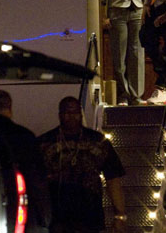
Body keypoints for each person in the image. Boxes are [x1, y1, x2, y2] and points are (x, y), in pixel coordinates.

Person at [37, 96, 126, 233]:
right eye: (67, 112)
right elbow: (36, 181)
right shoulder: (45, 142)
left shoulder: (98, 141)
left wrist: (119, 215)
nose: (71, 117)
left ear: (81, 114)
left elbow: (113, 179)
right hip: (57, 216)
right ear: (60, 115)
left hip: (90, 214)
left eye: (75, 112)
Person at [0, 90, 51, 233]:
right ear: (10, 108)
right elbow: (38, 180)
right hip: (26, 212)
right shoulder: (24, 136)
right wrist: (44, 217)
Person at [100, 0, 145, 106]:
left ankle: (136, 95)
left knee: (136, 53)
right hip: (117, 12)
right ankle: (123, 95)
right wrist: (104, 16)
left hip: (136, 11)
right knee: (119, 54)